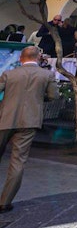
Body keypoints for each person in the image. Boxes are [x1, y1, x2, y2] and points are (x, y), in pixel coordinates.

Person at [0, 46, 59, 212]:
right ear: (38, 58)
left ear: (21, 58)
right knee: (18, 160)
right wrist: (38, 98)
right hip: (29, 121)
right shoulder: (47, 75)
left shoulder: (10, 74)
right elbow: (54, 96)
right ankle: (4, 202)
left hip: (5, 118)